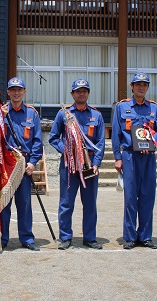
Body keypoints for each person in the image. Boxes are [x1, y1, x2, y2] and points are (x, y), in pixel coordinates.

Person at [49, 78, 105, 250]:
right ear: (72, 94)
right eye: (78, 91)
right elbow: (53, 138)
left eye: (84, 90)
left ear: (88, 93)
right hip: (69, 164)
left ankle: (89, 237)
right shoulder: (63, 114)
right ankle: (65, 237)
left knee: (90, 204)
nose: (81, 93)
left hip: (89, 165)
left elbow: (101, 142)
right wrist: (66, 150)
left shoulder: (96, 115)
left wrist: (96, 163)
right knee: (66, 202)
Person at [111, 72, 157, 250]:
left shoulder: (154, 108)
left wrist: (152, 140)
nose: (141, 87)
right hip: (129, 156)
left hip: (148, 157)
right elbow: (116, 134)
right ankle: (130, 236)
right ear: (131, 87)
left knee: (148, 197)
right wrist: (117, 158)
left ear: (148, 87)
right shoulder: (122, 107)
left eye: (145, 84)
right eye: (138, 84)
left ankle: (146, 236)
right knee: (130, 197)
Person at [0, 77, 43, 251]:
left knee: (24, 203)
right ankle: (2, 238)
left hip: (24, 164)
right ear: (8, 92)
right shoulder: (1, 112)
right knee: (5, 203)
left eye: (19, 90)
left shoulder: (32, 114)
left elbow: (37, 141)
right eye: (13, 90)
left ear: (24, 92)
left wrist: (33, 162)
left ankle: (27, 238)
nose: (16, 93)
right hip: (6, 164)